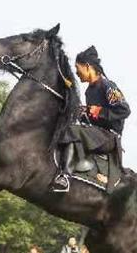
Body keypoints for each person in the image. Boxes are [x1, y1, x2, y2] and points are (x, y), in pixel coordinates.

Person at [50, 45, 131, 193]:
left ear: (87, 67)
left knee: (72, 130)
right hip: (96, 133)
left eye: (77, 68)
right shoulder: (89, 91)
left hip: (109, 137)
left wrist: (100, 111)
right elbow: (92, 119)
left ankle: (65, 176)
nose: (76, 72)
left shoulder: (107, 86)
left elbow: (125, 110)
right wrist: (83, 113)